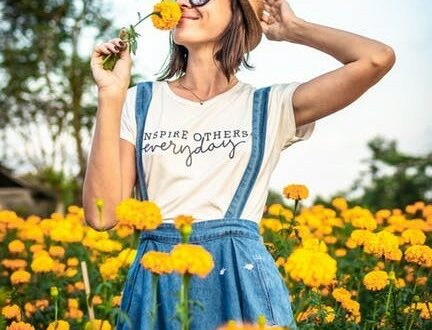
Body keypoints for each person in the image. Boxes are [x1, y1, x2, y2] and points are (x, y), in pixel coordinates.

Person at [84, 0, 395, 328]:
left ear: (238, 13)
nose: (184, 3)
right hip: (157, 282)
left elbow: (376, 58)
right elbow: (101, 216)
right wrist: (110, 94)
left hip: (242, 282)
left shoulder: (269, 106)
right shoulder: (138, 101)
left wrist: (294, 30)